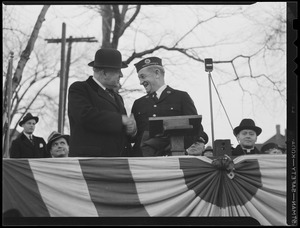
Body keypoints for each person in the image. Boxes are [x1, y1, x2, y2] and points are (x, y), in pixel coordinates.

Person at [131, 56, 208, 157]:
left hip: (172, 159)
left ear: (157, 73)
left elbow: (195, 129)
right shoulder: (138, 104)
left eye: (143, 77)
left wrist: (176, 147)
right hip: (142, 161)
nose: (140, 82)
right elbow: (133, 137)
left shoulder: (181, 97)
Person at [68, 48, 136, 157]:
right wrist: (120, 119)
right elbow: (85, 116)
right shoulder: (80, 89)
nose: (121, 75)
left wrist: (131, 131)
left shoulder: (117, 97)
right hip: (91, 161)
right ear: (104, 73)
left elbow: (119, 129)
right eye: (118, 71)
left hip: (117, 162)